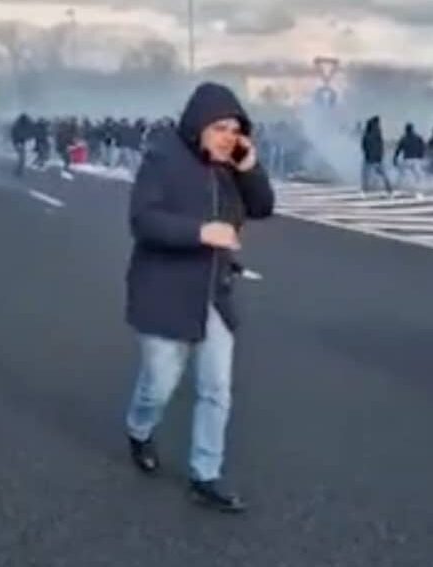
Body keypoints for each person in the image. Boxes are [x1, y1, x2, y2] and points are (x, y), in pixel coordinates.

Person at [124, 82, 275, 514]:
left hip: (214, 291)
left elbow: (263, 206)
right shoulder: (162, 158)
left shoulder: (230, 166)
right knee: (159, 385)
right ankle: (139, 429)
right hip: (165, 290)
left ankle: (204, 476)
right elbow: (142, 220)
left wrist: (250, 167)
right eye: (221, 127)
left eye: (236, 129)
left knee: (216, 389)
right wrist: (200, 232)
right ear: (198, 125)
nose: (229, 136)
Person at [360, 116, 391, 196]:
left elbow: (364, 146)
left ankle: (365, 190)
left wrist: (368, 154)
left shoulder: (368, 134)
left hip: (370, 158)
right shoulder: (378, 134)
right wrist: (380, 155)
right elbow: (381, 146)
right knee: (383, 174)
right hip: (377, 158)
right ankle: (388, 188)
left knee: (366, 175)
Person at [393, 123, 427, 194]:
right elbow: (423, 147)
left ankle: (401, 186)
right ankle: (419, 186)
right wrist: (421, 155)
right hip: (415, 159)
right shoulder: (418, 138)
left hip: (408, 159)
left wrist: (395, 158)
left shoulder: (404, 138)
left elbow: (398, 149)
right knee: (418, 174)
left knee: (403, 174)